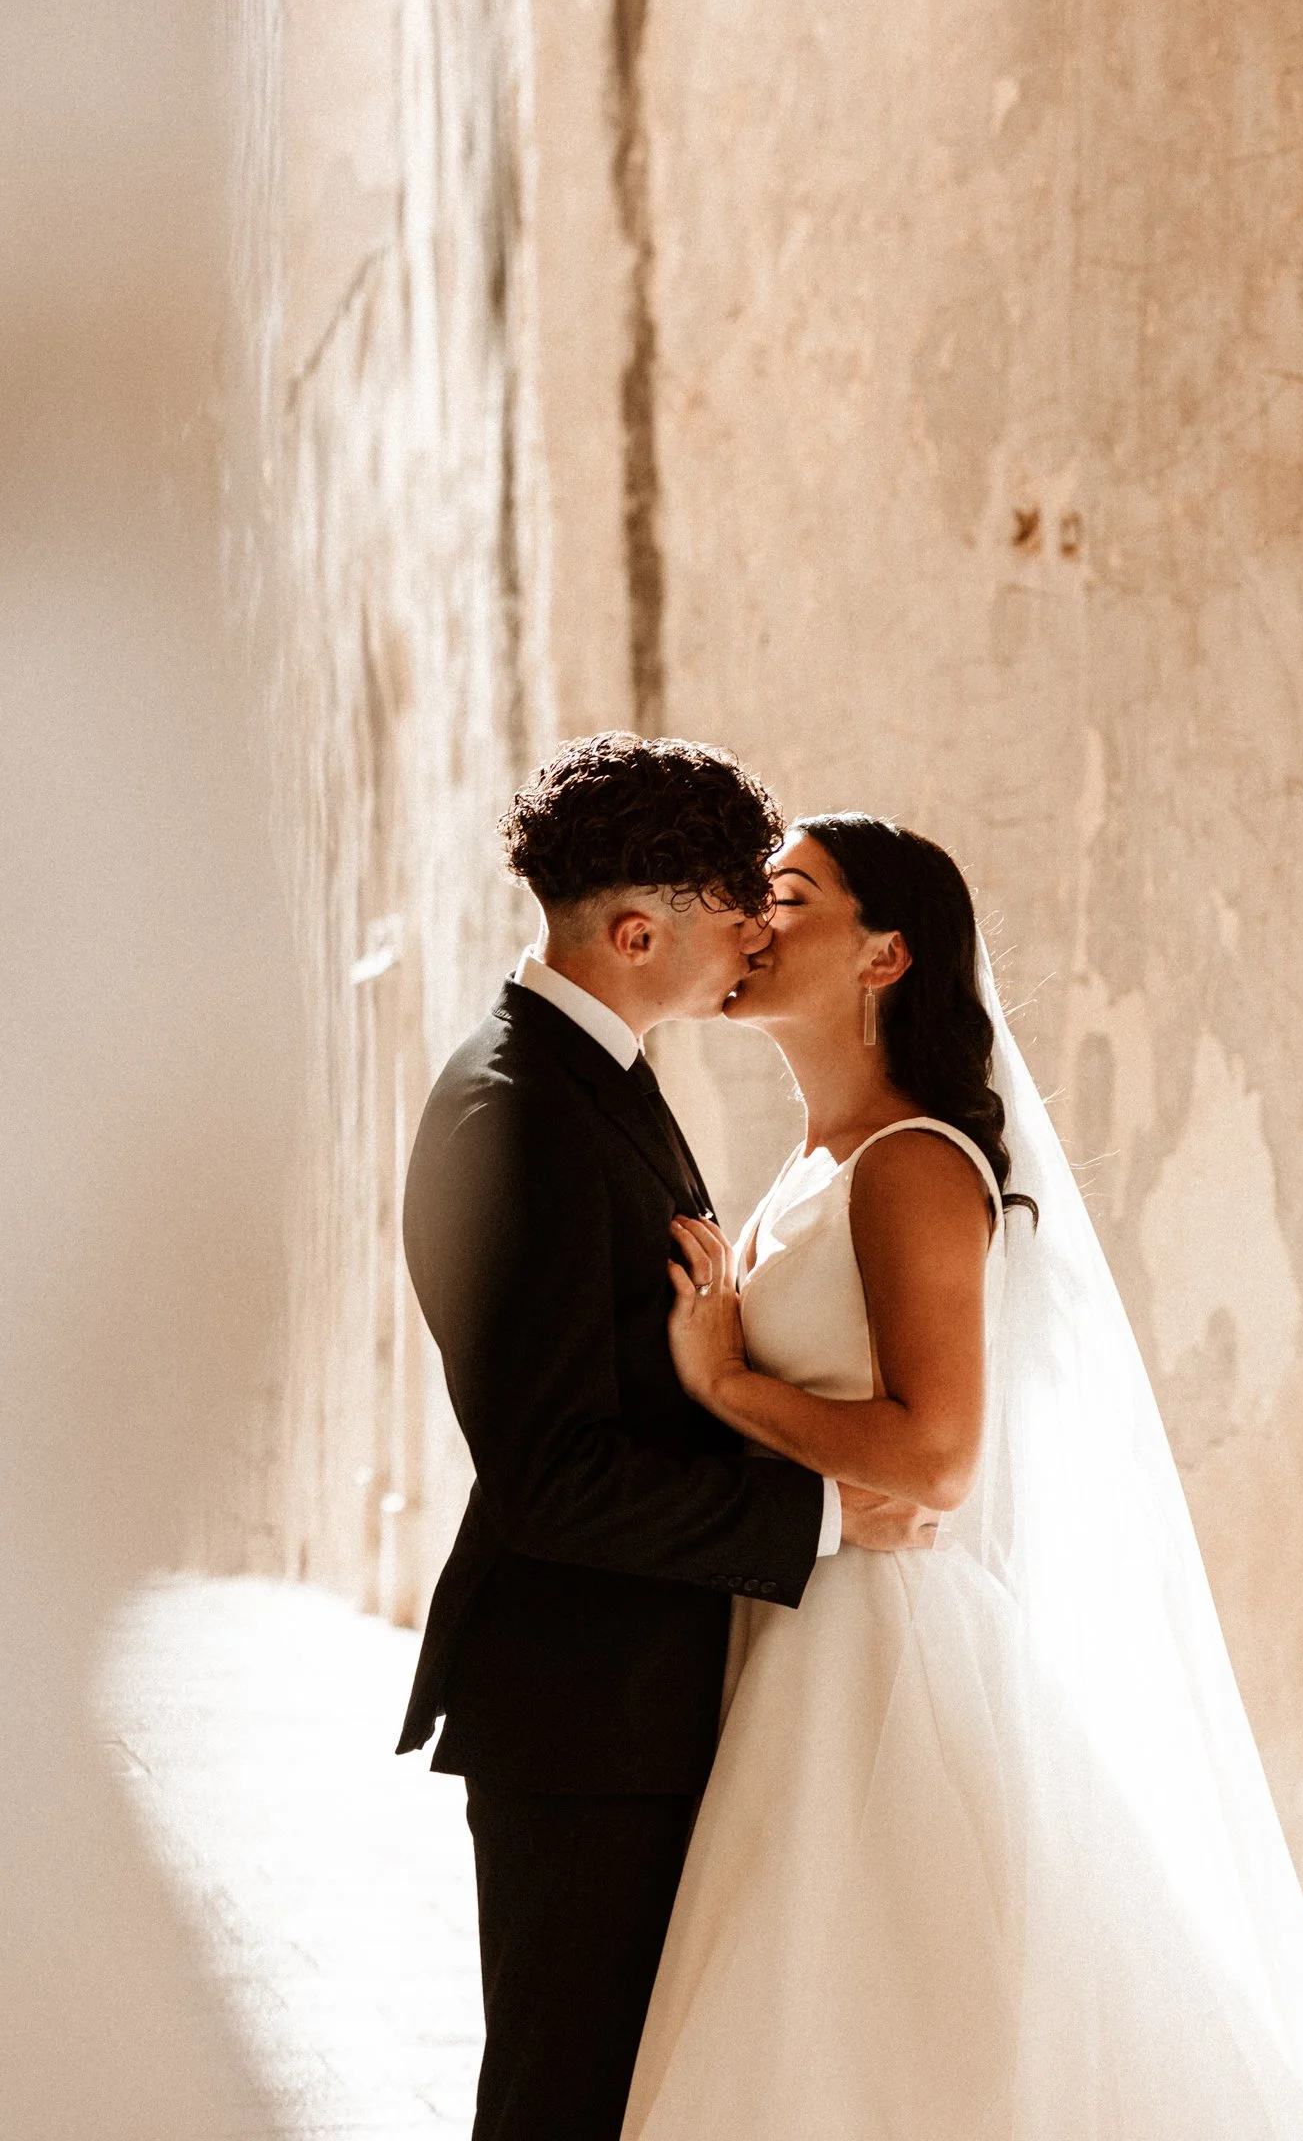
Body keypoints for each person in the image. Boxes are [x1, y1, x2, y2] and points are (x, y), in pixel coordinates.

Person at [622, 814, 1303, 2141]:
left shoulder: (911, 1163)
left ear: (887, 955)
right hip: (793, 1634)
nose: (754, 919)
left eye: (789, 895)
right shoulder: (814, 1165)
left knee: (899, 2042)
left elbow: (937, 1457)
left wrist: (728, 1385)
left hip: (883, 1660)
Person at [395, 740, 929, 2141]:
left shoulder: (599, 1077)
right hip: (580, 1704)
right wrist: (825, 1517)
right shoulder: (513, 1113)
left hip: (643, 1682)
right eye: (737, 919)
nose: (756, 944)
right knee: (562, 2095)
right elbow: (552, 1476)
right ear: (639, 932)